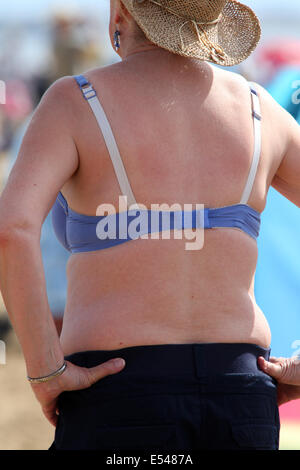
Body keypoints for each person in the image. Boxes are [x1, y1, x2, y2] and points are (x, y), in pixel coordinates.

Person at [0, 0, 300, 451]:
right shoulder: (261, 110)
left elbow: (12, 230)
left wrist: (46, 368)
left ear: (121, 10)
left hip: (116, 387)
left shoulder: (77, 102)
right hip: (240, 391)